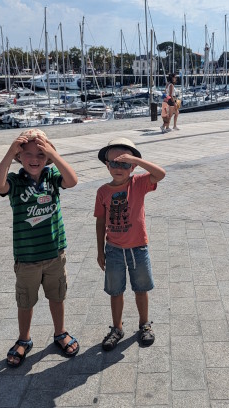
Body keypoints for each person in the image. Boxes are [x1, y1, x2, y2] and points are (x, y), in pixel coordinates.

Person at [0, 128, 79, 367]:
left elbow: (72, 180)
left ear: (48, 158)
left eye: (41, 155)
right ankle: (24, 338)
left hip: (54, 254)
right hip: (27, 257)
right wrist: (10, 152)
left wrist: (54, 154)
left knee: (57, 296)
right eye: (27, 154)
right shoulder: (16, 182)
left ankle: (60, 332)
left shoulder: (52, 177)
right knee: (25, 301)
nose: (34, 159)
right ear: (20, 157)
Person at [94, 137, 166, 351]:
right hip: (114, 249)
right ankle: (116, 327)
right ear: (107, 166)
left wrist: (136, 159)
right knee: (115, 291)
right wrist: (100, 251)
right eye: (114, 163)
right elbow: (100, 222)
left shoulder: (138, 183)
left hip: (138, 248)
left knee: (141, 288)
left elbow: (160, 174)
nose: (119, 168)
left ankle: (144, 324)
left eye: (125, 164)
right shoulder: (103, 191)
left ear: (132, 167)